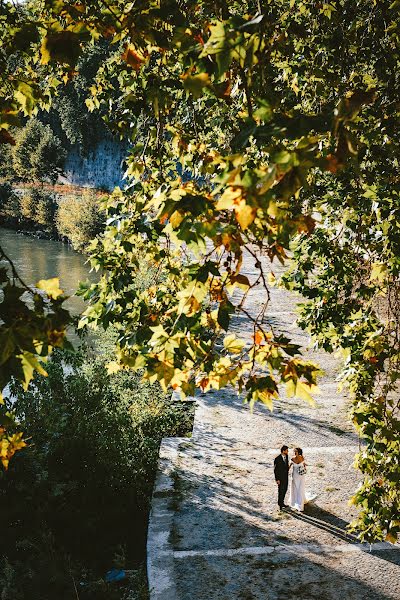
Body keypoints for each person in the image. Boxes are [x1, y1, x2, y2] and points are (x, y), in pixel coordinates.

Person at [289, 447, 307, 512]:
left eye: (295, 451)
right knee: (296, 488)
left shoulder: (297, 458)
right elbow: (289, 467)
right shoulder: (297, 458)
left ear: (298, 452)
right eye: (294, 451)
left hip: (299, 476)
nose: (294, 452)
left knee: (300, 488)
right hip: (297, 475)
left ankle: (299, 503)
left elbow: (304, 465)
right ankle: (297, 502)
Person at [274, 445, 289, 510]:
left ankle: (282, 502)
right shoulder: (277, 459)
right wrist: (277, 479)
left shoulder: (287, 456)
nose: (288, 452)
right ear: (283, 451)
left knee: (285, 489)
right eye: (287, 450)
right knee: (280, 491)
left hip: (286, 477)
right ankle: (280, 504)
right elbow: (275, 470)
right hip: (280, 478)